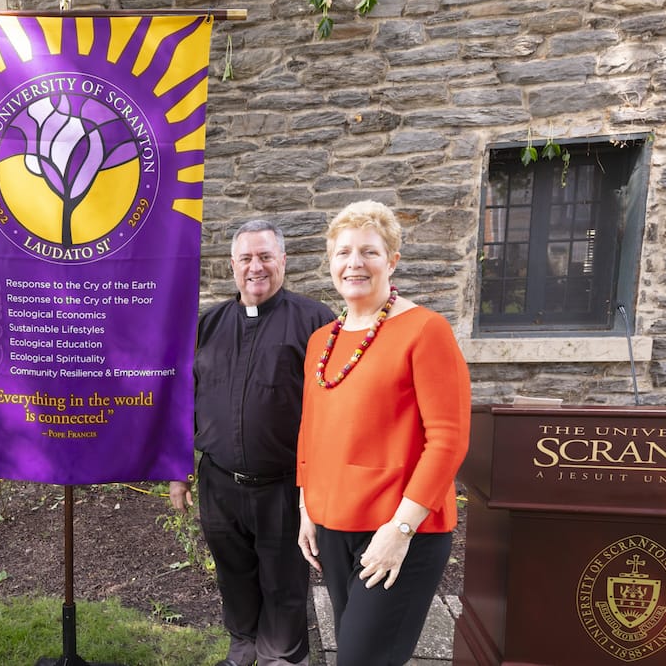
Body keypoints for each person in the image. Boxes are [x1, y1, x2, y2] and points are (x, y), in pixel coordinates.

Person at [296, 200, 470, 666]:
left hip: (398, 529)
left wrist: (400, 529)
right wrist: (306, 507)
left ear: (392, 260)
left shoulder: (425, 330)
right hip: (333, 526)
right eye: (343, 253)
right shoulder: (322, 339)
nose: (355, 263)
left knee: (360, 659)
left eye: (369, 252)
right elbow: (311, 428)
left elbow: (449, 441)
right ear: (330, 262)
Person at [170, 220, 334, 666]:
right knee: (234, 575)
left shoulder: (316, 322)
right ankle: (242, 648)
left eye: (265, 257)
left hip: (284, 486)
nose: (255, 267)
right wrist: (177, 470)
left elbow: (336, 406)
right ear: (232, 266)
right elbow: (184, 398)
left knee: (284, 581)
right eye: (246, 258)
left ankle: (283, 656)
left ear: (283, 261)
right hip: (220, 482)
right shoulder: (209, 324)